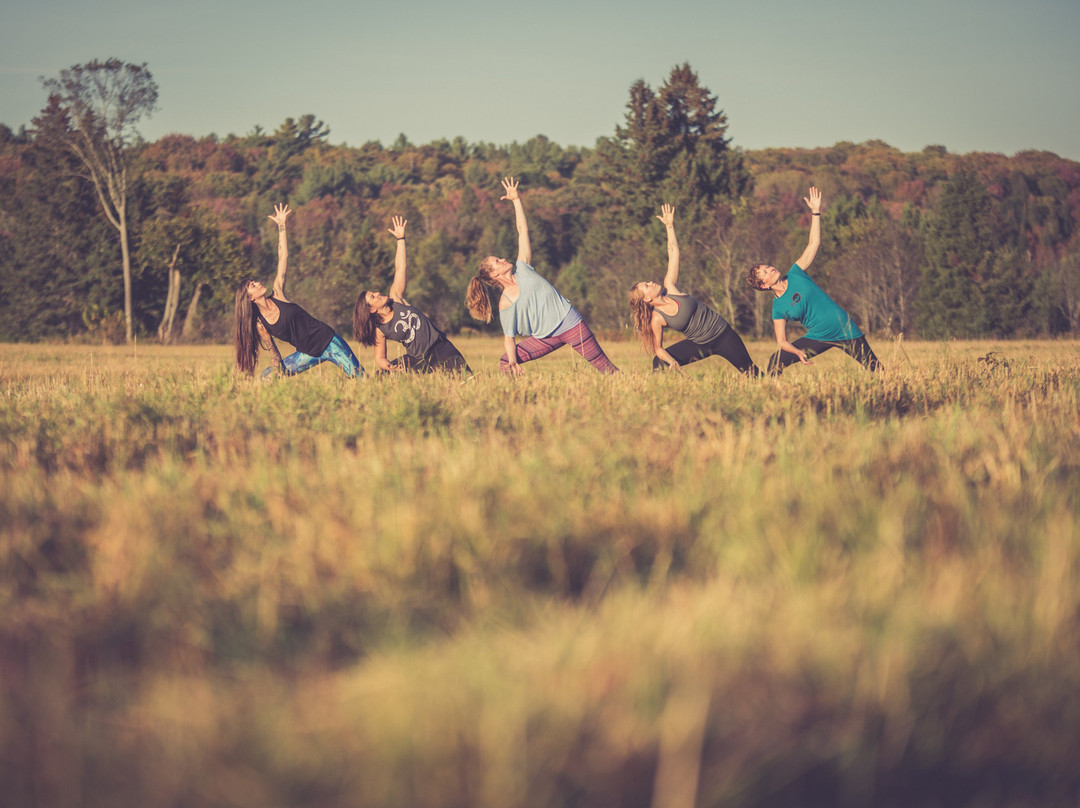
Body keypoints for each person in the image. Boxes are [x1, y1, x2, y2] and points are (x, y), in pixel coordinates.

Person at [465, 177, 618, 375]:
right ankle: (520, 400)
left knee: (608, 370)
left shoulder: (524, 267)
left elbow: (523, 231)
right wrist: (513, 361)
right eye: (497, 261)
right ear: (494, 274)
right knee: (506, 362)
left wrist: (516, 201)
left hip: (571, 324)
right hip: (546, 338)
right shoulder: (506, 302)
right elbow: (509, 337)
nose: (503, 259)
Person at [747, 187, 882, 375]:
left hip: (845, 329)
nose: (770, 268)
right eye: (765, 272)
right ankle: (773, 397)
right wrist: (797, 352)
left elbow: (814, 243)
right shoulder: (778, 307)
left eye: (767, 266)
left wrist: (815, 212)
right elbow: (782, 341)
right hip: (819, 337)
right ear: (764, 285)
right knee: (775, 361)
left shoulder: (796, 273)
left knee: (877, 370)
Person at [629, 204, 761, 376]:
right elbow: (658, 349)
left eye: (647, 282)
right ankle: (662, 394)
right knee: (658, 362)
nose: (651, 282)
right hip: (701, 345)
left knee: (753, 374)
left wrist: (669, 226)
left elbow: (673, 252)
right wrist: (672, 361)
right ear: (646, 299)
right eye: (646, 286)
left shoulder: (670, 286)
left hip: (723, 334)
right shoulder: (657, 319)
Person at [234, 203, 363, 378]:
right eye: (252, 286)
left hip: (329, 341)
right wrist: (278, 372)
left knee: (361, 378)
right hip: (307, 353)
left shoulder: (278, 292)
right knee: (268, 377)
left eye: (254, 281)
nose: (257, 283)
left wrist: (282, 226)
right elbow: (274, 354)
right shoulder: (260, 323)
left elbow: (283, 256)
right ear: (249, 298)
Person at [352, 216, 471, 374]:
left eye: (374, 293)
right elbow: (380, 358)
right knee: (382, 376)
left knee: (467, 382)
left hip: (440, 348)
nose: (377, 293)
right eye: (373, 297)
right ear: (372, 310)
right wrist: (389, 367)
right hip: (417, 359)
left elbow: (401, 268)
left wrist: (401, 239)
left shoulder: (396, 298)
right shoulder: (380, 330)